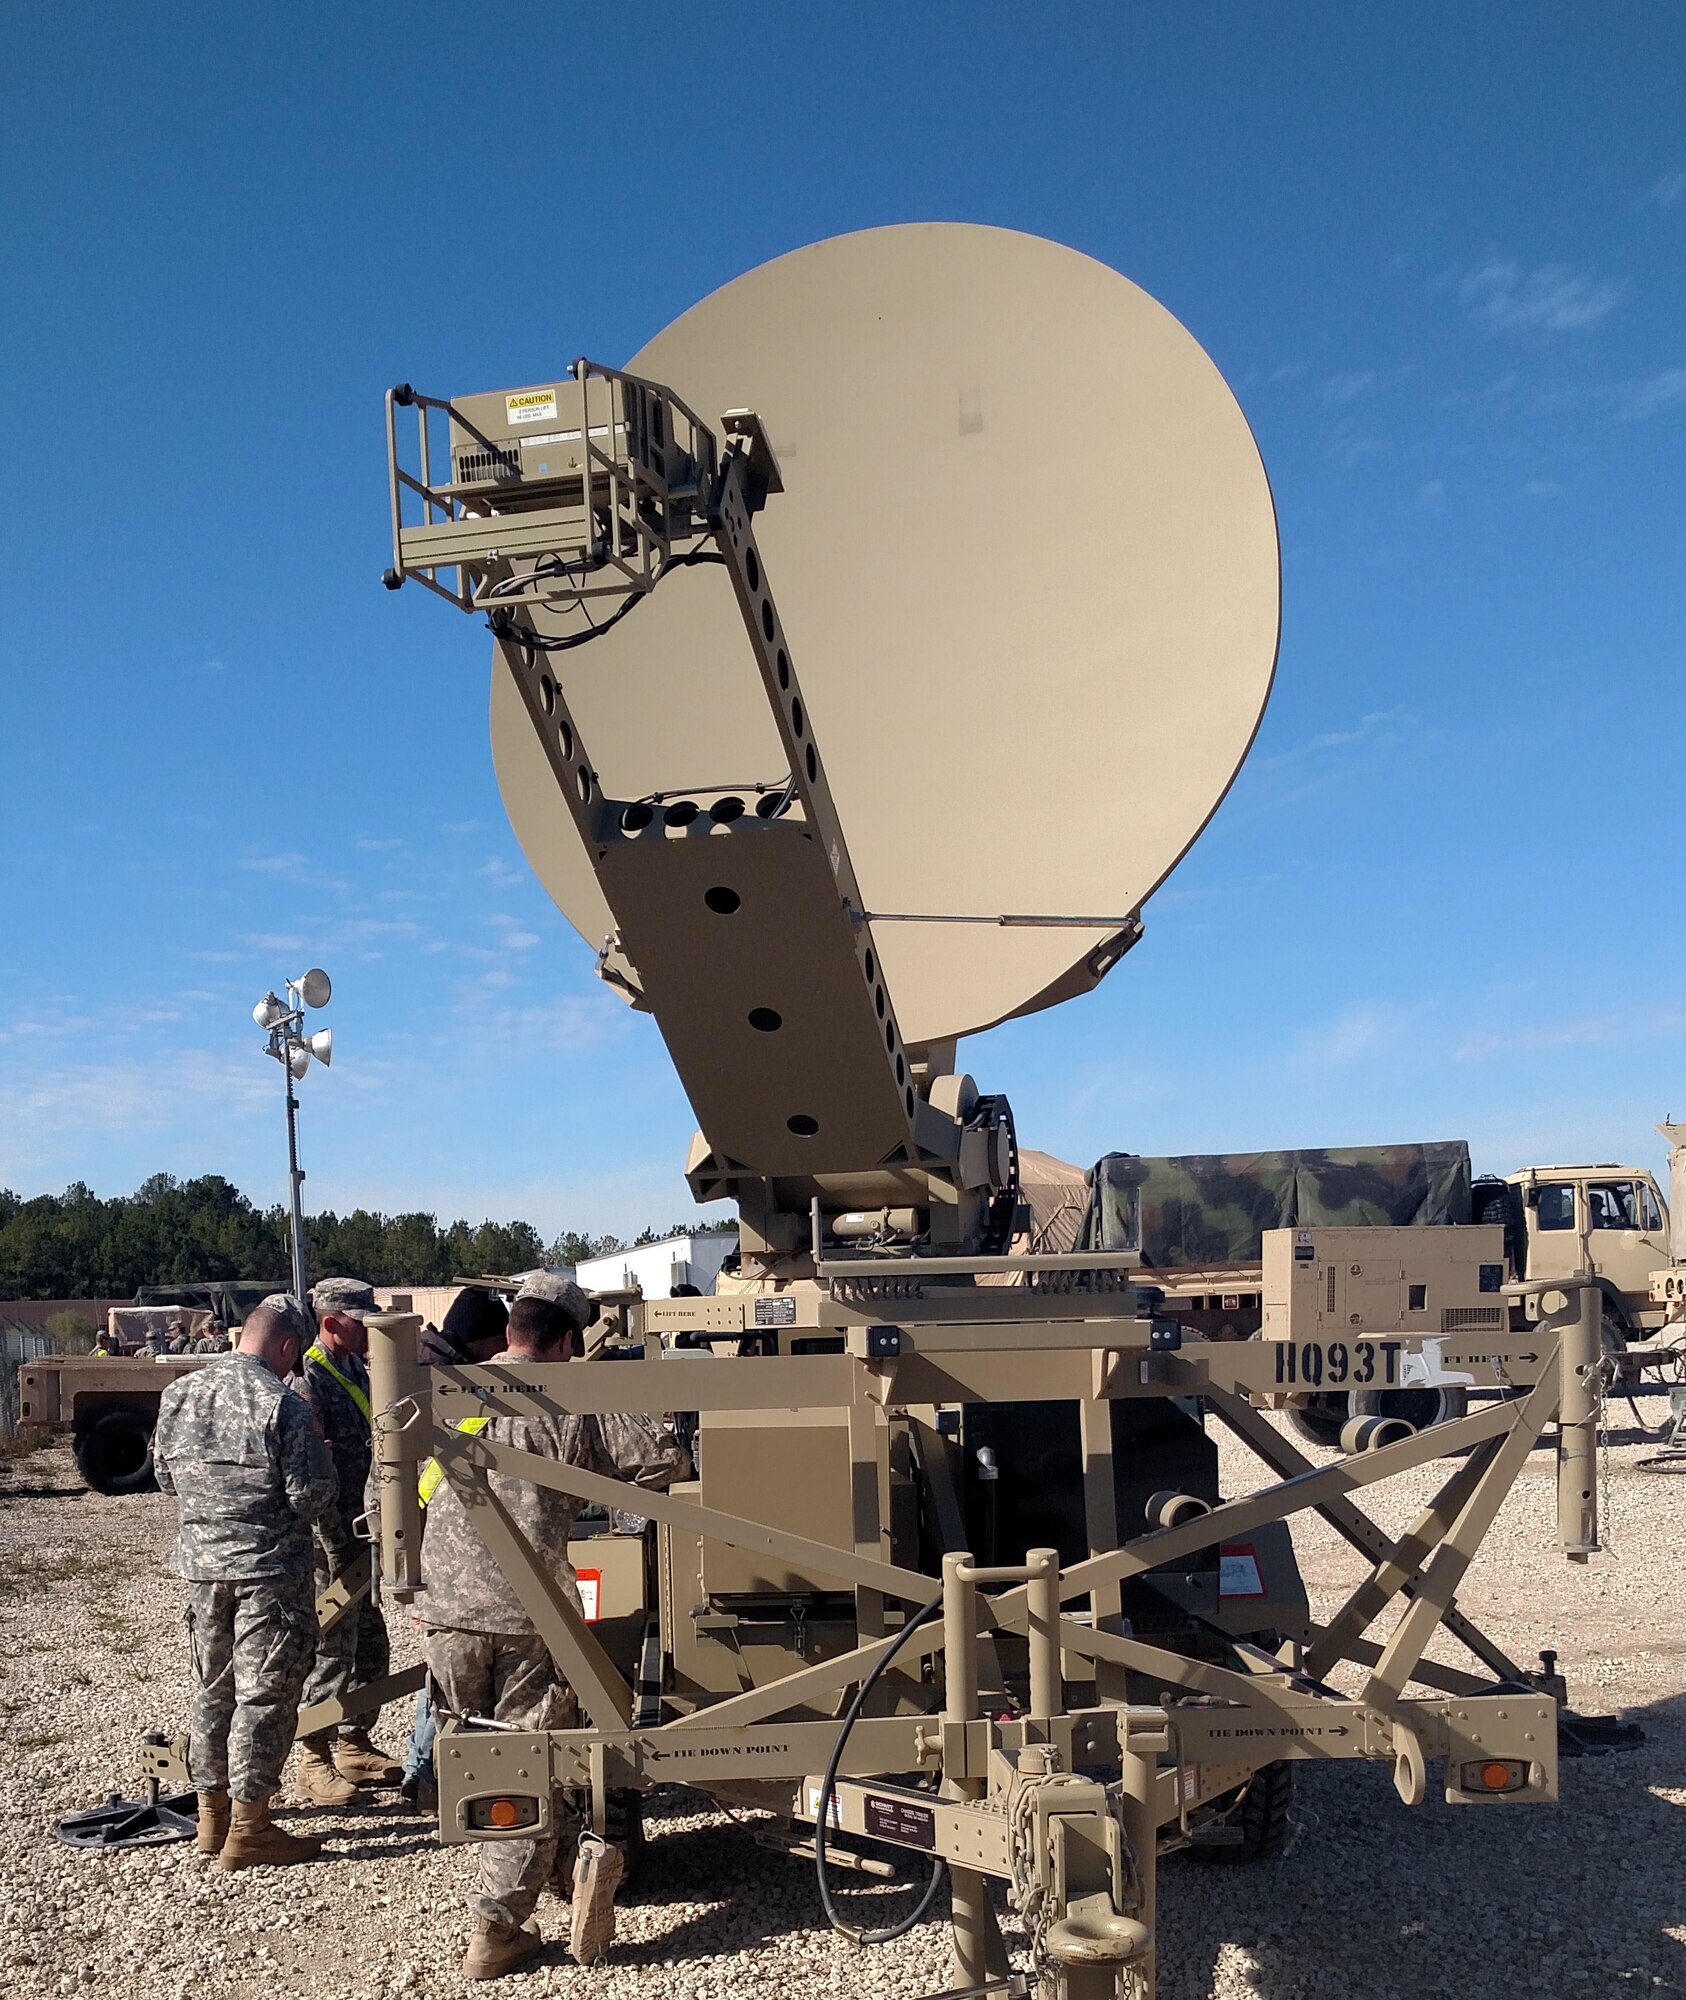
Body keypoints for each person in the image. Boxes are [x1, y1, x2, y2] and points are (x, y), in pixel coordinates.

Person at [419, 1280, 690, 1980]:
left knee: (475, 1755)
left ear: (513, 1330)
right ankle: (496, 1930)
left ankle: (563, 1862)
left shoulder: (450, 1393)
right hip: (525, 1612)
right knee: (526, 1761)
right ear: (567, 1339)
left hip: (445, 1609)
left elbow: (385, 1485)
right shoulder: (570, 1397)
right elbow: (661, 1461)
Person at [151, 1294, 337, 1870]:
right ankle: (251, 1828)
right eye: (295, 1355)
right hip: (269, 1572)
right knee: (265, 1694)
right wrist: (325, 1461)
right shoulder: (283, 1404)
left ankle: (213, 1820)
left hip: (202, 1569)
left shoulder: (179, 1393)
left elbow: (163, 1478)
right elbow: (310, 1498)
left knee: (213, 1688)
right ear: (286, 1346)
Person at [399, 1285, 513, 1811]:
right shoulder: (450, 1386)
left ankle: (429, 1780)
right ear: (485, 1342)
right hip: (440, 1561)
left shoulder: (427, 1372)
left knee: (444, 1686)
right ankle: (427, 1779)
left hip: (433, 1564)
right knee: (448, 1693)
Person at [293, 1276, 403, 1805]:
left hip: (362, 1531)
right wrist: (332, 1544)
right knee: (331, 1645)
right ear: (331, 1322)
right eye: (360, 1323)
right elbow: (308, 1475)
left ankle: (354, 1743)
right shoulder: (308, 1381)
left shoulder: (356, 1367)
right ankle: (313, 1758)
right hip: (332, 1537)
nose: (368, 1332)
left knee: (370, 1644)